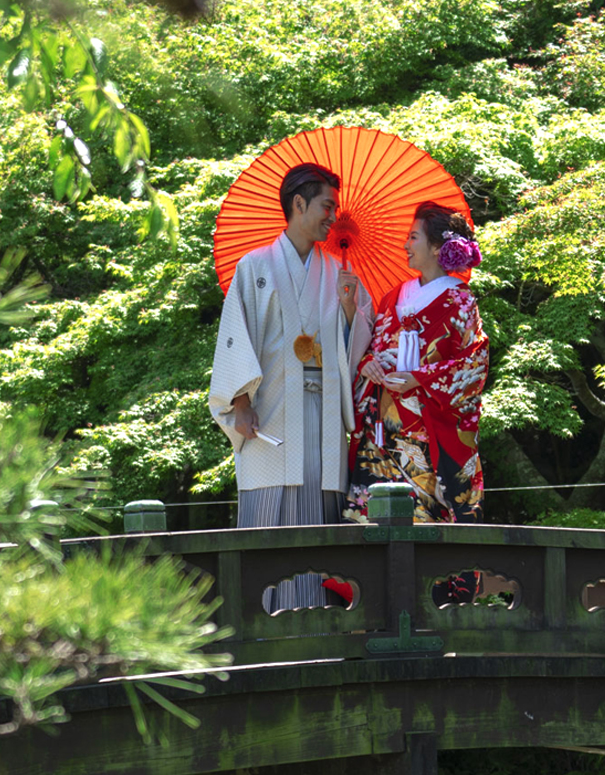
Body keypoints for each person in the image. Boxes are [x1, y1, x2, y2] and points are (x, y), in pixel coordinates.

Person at [209, 163, 374, 530]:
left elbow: (362, 348)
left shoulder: (339, 275)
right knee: (268, 521)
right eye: (327, 207)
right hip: (270, 408)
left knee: (321, 516)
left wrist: (350, 312)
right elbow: (237, 337)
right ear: (299, 204)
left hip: (323, 411)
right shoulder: (254, 267)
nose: (333, 217)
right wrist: (241, 403)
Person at [343, 201, 488, 524]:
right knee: (373, 523)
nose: (405, 245)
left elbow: (473, 365)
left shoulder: (460, 300)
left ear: (437, 247)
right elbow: (372, 348)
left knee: (430, 528)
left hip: (429, 428)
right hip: (382, 433)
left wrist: (419, 378)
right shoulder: (393, 297)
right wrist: (368, 364)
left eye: (413, 238)